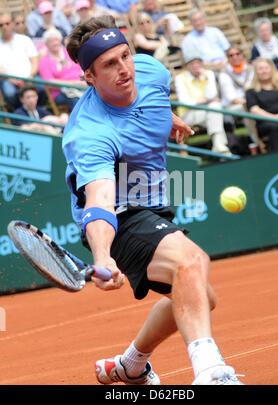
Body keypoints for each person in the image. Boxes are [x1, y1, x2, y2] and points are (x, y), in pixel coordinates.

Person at [62, 15, 244, 385]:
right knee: (192, 261)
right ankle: (212, 373)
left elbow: (151, 99)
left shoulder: (151, 70)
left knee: (199, 297)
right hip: (119, 215)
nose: (123, 69)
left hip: (153, 202)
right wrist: (102, 256)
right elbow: (99, 198)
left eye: (125, 56)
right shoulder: (91, 133)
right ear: (89, 77)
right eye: (109, 65)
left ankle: (131, 365)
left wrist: (167, 118)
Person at [175, 52, 231, 155]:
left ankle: (220, 148)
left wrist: (206, 79)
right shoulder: (180, 78)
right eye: (192, 63)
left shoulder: (208, 74)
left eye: (198, 63)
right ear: (187, 66)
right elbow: (185, 102)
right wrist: (206, 101)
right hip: (188, 114)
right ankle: (220, 147)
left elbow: (211, 95)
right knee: (216, 111)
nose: (196, 66)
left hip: (208, 110)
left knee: (215, 109)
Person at [0, 12, 46, 109]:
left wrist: (30, 76)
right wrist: (10, 79)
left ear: (12, 24)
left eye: (7, 23)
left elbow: (34, 60)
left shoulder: (25, 40)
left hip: (30, 76)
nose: (4, 27)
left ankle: (38, 111)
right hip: (8, 79)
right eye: (1, 25)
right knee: (10, 93)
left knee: (42, 88)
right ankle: (21, 114)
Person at [39, 28, 87, 111]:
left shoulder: (68, 52)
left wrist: (84, 77)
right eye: (51, 41)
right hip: (60, 91)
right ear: (46, 44)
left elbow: (81, 65)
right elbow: (49, 82)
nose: (55, 43)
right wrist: (73, 83)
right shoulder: (44, 61)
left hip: (81, 83)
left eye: (56, 40)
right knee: (76, 99)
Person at [218, 45, 256, 144]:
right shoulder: (224, 73)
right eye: (231, 55)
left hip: (249, 101)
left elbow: (253, 87)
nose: (235, 57)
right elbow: (231, 97)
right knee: (247, 110)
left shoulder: (250, 69)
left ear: (242, 55)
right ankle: (256, 141)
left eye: (237, 54)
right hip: (231, 106)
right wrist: (248, 102)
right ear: (228, 58)